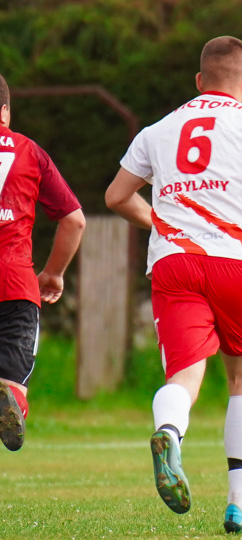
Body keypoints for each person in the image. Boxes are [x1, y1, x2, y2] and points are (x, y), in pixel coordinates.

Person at [105, 36, 242, 533]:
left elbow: (117, 195)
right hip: (237, 265)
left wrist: (161, 222)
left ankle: (168, 432)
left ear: (199, 81)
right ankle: (239, 504)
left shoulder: (158, 130)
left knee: (184, 374)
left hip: (175, 262)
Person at [0, 74, 86, 452]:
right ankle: (10, 399)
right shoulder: (30, 152)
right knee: (13, 382)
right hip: (15, 285)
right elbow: (74, 220)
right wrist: (52, 274)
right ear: (5, 111)